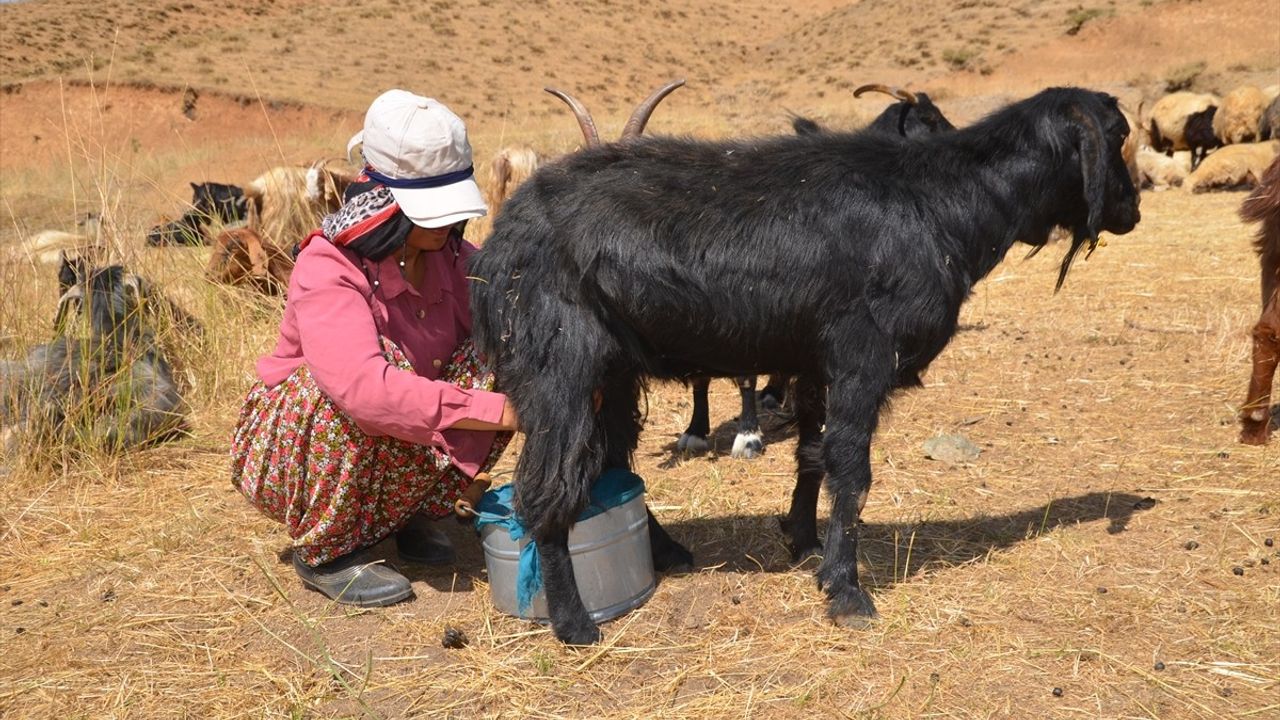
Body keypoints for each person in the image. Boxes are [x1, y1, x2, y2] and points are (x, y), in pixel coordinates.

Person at [230, 89, 518, 607]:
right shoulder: (329, 266)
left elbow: (513, 306)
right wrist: (506, 411)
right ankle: (327, 549)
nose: (447, 223)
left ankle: (406, 513)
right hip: (298, 439)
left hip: (384, 439)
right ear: (386, 203)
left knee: (498, 352)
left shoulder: (453, 256)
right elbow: (365, 392)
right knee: (344, 387)